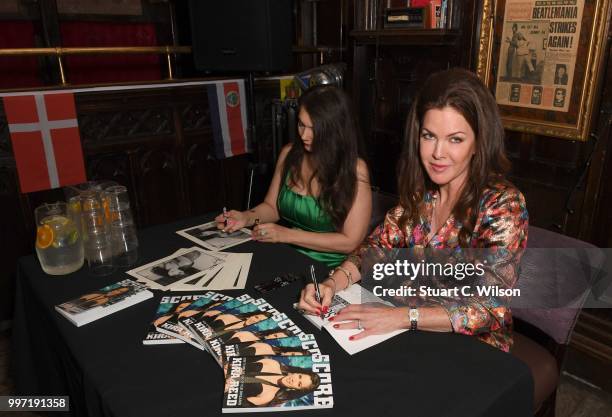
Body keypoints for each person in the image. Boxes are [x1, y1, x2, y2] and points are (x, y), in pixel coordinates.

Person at [298, 68, 528, 352]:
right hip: (412, 332)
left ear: (478, 143)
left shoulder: (503, 204)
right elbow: (374, 248)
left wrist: (400, 317)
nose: (438, 153)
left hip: (474, 349)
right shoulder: (422, 193)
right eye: (429, 136)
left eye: (455, 139)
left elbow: (491, 307)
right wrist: (332, 284)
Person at [216, 85, 372, 267]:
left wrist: (286, 234)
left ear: (334, 130)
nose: (304, 135)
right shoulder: (289, 153)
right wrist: (245, 218)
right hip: (288, 256)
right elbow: (272, 208)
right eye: (301, 124)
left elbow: (349, 242)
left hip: (333, 270)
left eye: (313, 129)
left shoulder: (354, 170)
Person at [229, 357, 321, 407]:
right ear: (297, 372)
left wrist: (229, 386)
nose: (294, 380)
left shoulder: (268, 397)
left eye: (299, 384)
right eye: (299, 376)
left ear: (296, 389)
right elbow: (240, 360)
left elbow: (233, 403)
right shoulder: (273, 363)